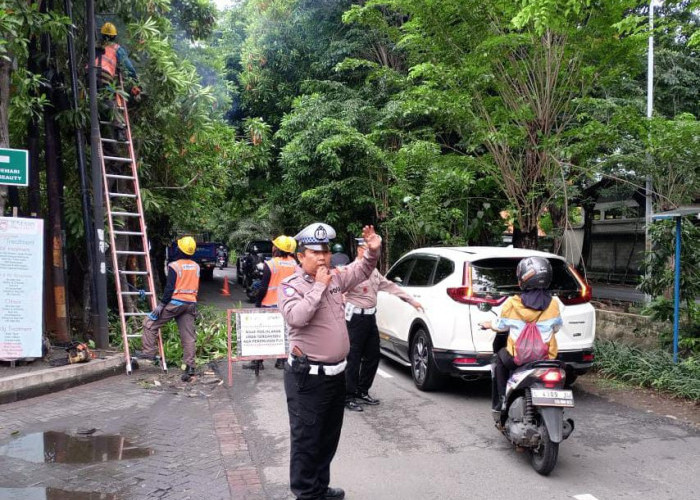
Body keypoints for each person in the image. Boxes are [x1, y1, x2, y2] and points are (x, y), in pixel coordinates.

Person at [278, 222, 382, 500]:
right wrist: (318, 287)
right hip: (307, 378)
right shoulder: (290, 286)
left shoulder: (336, 277)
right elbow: (296, 317)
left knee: (327, 439)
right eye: (315, 252)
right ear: (301, 256)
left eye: (325, 251)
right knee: (306, 441)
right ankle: (306, 493)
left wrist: (372, 252)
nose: (323, 257)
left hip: (336, 376)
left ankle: (319, 488)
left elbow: (361, 269)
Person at [343, 238, 423, 412]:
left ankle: (362, 391)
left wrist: (411, 301)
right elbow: (337, 290)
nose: (370, 252)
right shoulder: (351, 271)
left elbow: (390, 286)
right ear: (359, 250)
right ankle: (348, 396)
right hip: (354, 319)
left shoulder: (374, 272)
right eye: (366, 248)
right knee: (353, 358)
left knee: (373, 356)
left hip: (370, 319)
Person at [480, 256, 563, 414]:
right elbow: (557, 328)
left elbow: (501, 326)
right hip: (545, 358)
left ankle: (502, 402)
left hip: (517, 359)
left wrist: (489, 324)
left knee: (499, 360)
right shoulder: (554, 304)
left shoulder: (512, 303)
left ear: (524, 279)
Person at [137, 236, 200, 382]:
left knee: (149, 323)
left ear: (180, 249)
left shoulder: (174, 265)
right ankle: (190, 368)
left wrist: (161, 304)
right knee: (189, 337)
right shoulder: (196, 266)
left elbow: (170, 288)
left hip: (175, 304)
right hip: (190, 304)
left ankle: (149, 353)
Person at [242, 235, 297, 371]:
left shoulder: (271, 264)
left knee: (263, 334)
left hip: (270, 303)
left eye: (274, 245)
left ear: (277, 248)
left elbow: (264, 287)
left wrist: (258, 301)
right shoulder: (295, 264)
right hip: (288, 305)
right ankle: (282, 361)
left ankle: (258, 362)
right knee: (285, 333)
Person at [95, 22, 140, 141]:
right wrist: (136, 82)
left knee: (92, 101)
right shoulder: (116, 48)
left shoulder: (94, 45)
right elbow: (129, 67)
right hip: (103, 77)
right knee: (110, 102)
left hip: (88, 76)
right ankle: (120, 130)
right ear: (114, 36)